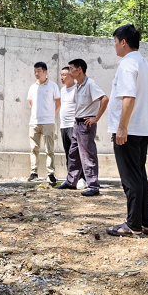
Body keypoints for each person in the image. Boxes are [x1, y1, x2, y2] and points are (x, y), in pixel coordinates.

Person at [106, 24, 148, 237]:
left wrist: (122, 128)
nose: (115, 47)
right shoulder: (143, 63)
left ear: (123, 42)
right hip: (142, 129)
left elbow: (128, 97)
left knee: (131, 180)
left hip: (130, 130)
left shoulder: (127, 64)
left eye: (116, 42)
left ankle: (133, 225)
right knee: (140, 177)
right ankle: (146, 223)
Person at [57, 59, 108, 196]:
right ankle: (71, 181)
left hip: (86, 124)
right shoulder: (78, 86)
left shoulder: (90, 84)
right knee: (73, 153)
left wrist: (96, 118)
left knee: (88, 155)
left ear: (79, 69)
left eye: (71, 69)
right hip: (76, 123)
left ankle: (93, 186)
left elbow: (104, 99)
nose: (70, 72)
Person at [27, 62, 61, 185]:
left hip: (48, 122)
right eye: (35, 71)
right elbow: (31, 103)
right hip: (34, 122)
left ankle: (50, 174)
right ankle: (33, 172)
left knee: (49, 150)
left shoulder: (53, 86)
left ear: (45, 72)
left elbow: (58, 102)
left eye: (39, 71)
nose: (36, 73)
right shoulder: (32, 87)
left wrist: (50, 115)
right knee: (34, 148)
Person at [59, 66, 86, 189]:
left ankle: (82, 179)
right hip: (63, 126)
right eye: (61, 75)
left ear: (71, 76)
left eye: (64, 75)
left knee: (77, 154)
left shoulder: (77, 88)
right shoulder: (62, 90)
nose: (62, 77)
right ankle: (70, 179)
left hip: (73, 124)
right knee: (68, 153)